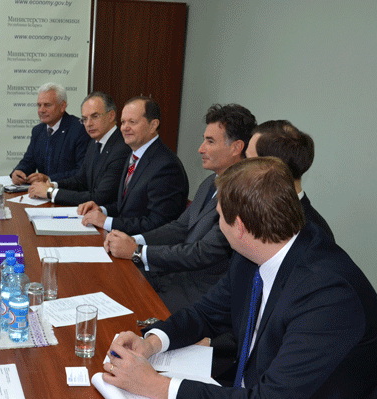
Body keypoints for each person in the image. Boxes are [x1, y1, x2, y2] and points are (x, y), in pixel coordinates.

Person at [103, 157, 377, 399]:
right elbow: (208, 311)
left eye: (219, 217)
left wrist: (156, 385)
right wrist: (153, 342)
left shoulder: (327, 295)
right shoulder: (257, 251)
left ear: (239, 226)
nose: (217, 224)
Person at [104, 103, 255, 311]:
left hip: (201, 294)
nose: (201, 148)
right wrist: (134, 241)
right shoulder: (210, 182)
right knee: (110, 284)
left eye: (210, 141)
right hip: (175, 277)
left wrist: (137, 252)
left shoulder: (244, 193)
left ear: (236, 147)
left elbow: (203, 253)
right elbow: (180, 227)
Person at [78, 96, 189, 235]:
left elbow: (158, 224)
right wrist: (102, 210)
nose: (125, 128)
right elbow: (126, 207)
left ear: (153, 125)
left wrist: (107, 222)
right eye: (123, 122)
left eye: (132, 122)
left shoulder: (166, 166)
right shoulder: (134, 155)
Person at [28, 91, 129, 206]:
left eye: (95, 116)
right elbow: (80, 180)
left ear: (111, 116)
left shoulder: (121, 148)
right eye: (84, 119)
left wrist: (51, 192)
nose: (88, 124)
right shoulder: (94, 142)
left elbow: (99, 198)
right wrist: (53, 185)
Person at [246, 119, 335, 241]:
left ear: (273, 168)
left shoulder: (313, 234)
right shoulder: (252, 212)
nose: (241, 168)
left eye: (248, 160)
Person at [11, 82, 91, 185]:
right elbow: (28, 161)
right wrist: (19, 171)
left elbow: (82, 172)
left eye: (47, 105)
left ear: (62, 106)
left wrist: (49, 179)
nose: (41, 110)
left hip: (67, 191)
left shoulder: (79, 129)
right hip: (41, 192)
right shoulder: (38, 130)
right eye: (39, 105)